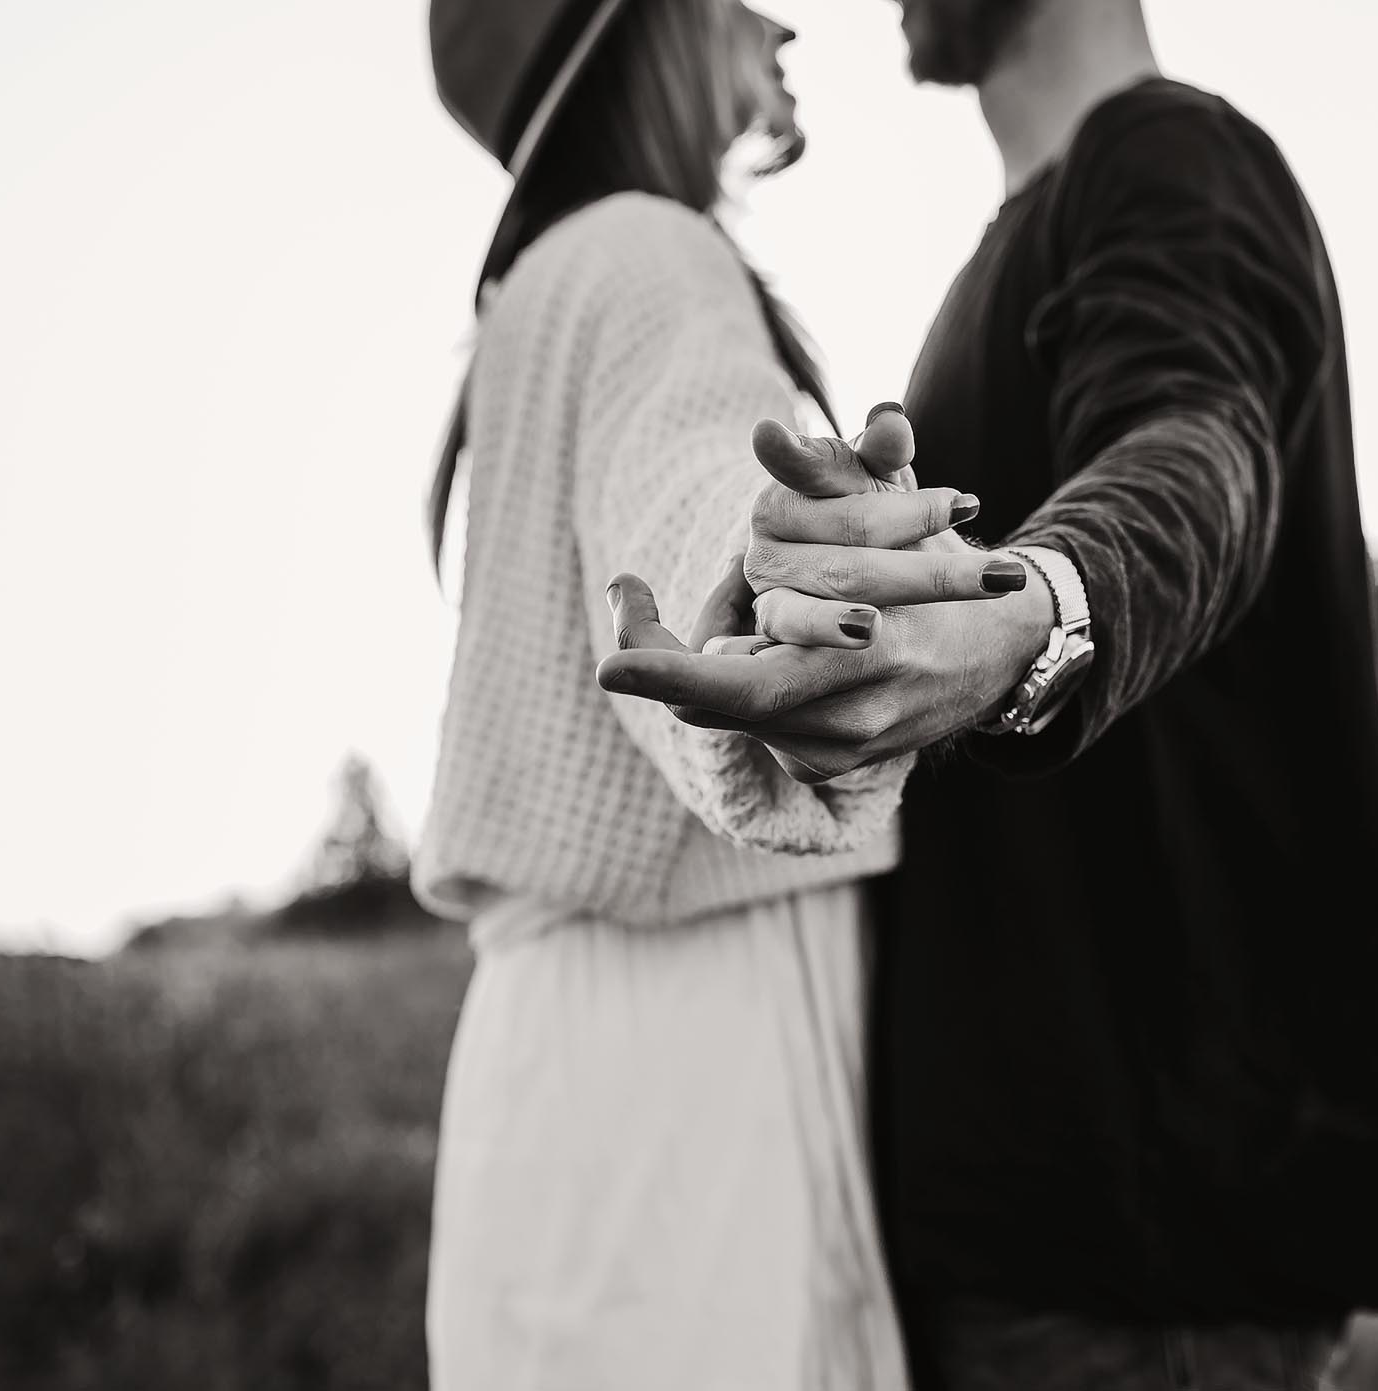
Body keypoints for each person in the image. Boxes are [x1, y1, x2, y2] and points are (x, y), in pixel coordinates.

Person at [599, 1, 1378, 1386]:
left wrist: (1031, 617)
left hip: (1144, 1240)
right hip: (1034, 1218)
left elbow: (1201, 447)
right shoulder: (1002, 255)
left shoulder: (1174, 162)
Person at [411, 1, 1025, 1386]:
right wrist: (767, 596)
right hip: (684, 1097)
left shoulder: (541, 289)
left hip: (564, 1096)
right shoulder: (647, 255)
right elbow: (687, 493)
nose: (783, 16)